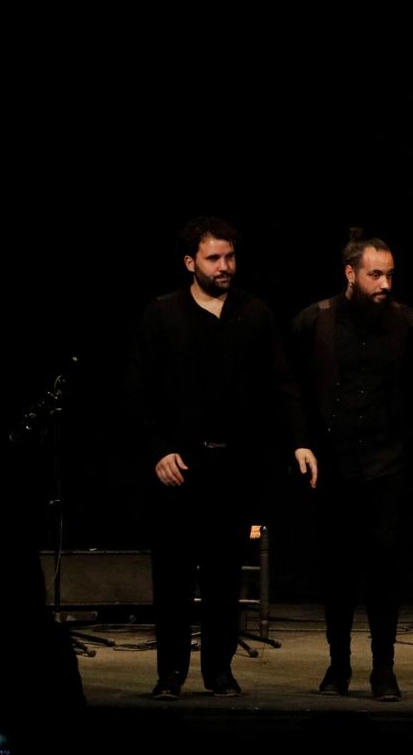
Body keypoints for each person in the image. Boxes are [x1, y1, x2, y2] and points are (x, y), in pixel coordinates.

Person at [126, 217, 317, 700]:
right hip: (178, 468)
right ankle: (170, 673)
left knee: (222, 577)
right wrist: (157, 451)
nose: (225, 266)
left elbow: (280, 383)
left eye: (229, 257)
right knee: (171, 578)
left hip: (233, 469)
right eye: (214, 258)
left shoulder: (254, 313)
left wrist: (298, 439)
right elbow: (139, 393)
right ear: (191, 262)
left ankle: (218, 671)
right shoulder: (162, 314)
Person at [291, 233, 413, 702]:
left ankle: (384, 669)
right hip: (333, 466)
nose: (385, 282)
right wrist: (301, 444)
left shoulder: (405, 322)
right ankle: (338, 664)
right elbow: (293, 393)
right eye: (376, 273)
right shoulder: (316, 321)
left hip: (386, 464)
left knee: (385, 569)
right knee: (337, 570)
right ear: (350, 274)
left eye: (390, 273)